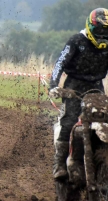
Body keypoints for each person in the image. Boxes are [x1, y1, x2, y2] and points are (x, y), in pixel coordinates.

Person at [48, 8, 108, 180]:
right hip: (73, 87)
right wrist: (54, 85)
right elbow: (60, 63)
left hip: (97, 88)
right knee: (69, 122)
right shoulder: (76, 40)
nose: (103, 35)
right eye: (100, 30)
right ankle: (59, 164)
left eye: (107, 31)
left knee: (104, 121)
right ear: (90, 27)